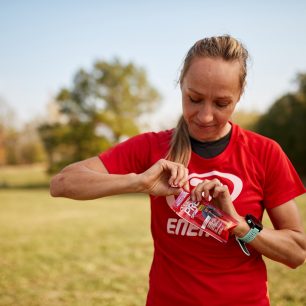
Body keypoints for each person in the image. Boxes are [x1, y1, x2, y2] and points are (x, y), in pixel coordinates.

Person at [50, 35, 306, 306]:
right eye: (194, 99)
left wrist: (239, 225)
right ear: (180, 84)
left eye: (221, 104)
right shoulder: (151, 147)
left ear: (239, 96)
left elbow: (296, 252)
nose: (205, 116)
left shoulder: (264, 152)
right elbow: (62, 183)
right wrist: (139, 182)